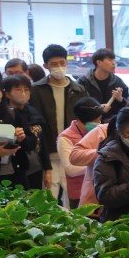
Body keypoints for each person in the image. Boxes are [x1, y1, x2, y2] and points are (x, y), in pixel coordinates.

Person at [29, 44, 89, 207]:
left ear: (67, 62)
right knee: (48, 199)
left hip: (73, 151)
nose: (59, 67)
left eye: (61, 62)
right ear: (46, 66)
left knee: (74, 199)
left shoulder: (78, 89)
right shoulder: (36, 90)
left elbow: (88, 119)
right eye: (54, 64)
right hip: (47, 152)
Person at [57, 97, 104, 208]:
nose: (98, 124)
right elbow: (71, 169)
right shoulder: (65, 137)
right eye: (94, 121)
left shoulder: (101, 131)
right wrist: (100, 163)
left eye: (99, 119)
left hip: (99, 190)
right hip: (79, 193)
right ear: (79, 120)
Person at [77, 48, 128, 119]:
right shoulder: (83, 81)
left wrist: (120, 99)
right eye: (110, 60)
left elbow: (128, 104)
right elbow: (78, 107)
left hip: (112, 123)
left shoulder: (118, 81)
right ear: (99, 62)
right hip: (90, 123)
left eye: (114, 60)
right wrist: (97, 108)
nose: (113, 63)